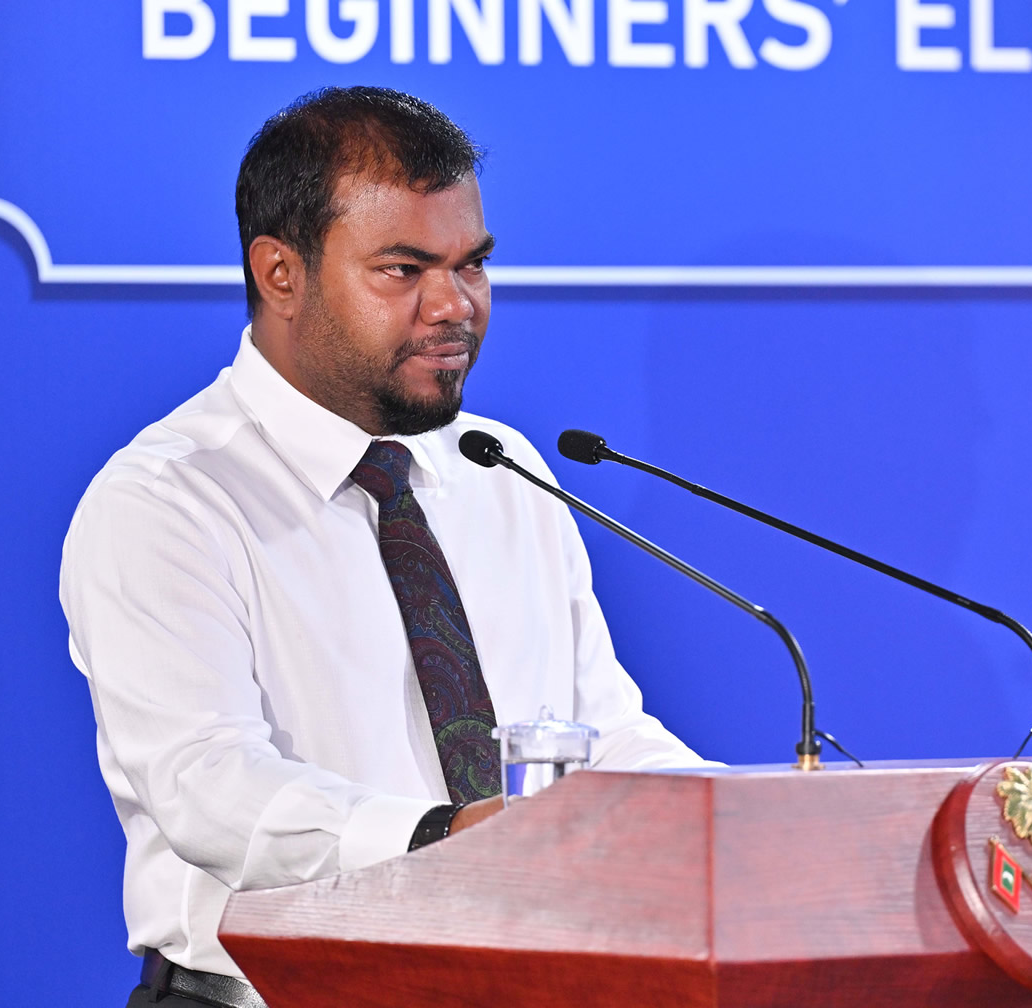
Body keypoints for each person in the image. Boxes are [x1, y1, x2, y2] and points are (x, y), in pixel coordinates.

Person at [59, 86, 712, 1008]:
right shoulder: (169, 500)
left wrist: (727, 822)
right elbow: (209, 789)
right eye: (403, 270)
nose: (454, 305)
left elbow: (595, 733)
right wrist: (443, 842)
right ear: (280, 274)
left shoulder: (502, 468)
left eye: (472, 264)